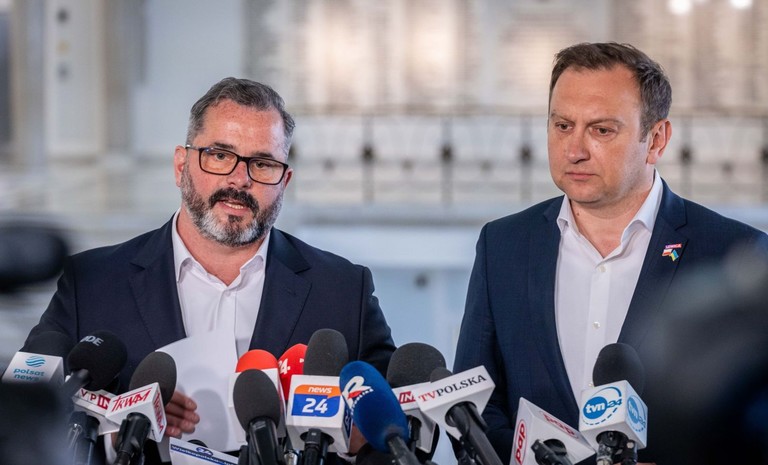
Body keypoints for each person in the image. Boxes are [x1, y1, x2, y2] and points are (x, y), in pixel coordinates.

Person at [23, 77, 396, 461]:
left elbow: (400, 434)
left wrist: (355, 438)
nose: (240, 180)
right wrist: (115, 425)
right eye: (219, 155)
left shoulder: (343, 290)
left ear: (284, 181)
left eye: (263, 163)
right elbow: (23, 416)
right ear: (181, 165)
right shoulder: (92, 283)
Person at [452, 42, 768, 465]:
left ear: (656, 139)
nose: (574, 150)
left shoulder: (736, 255)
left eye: (601, 130)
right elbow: (474, 406)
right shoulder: (503, 245)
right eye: (563, 125)